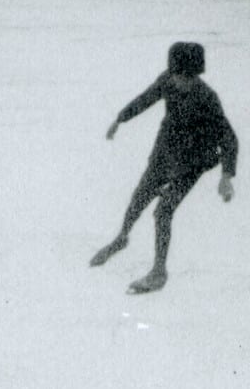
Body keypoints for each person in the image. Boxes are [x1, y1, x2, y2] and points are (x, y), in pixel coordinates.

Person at [91, 42, 239, 294]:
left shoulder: (207, 98)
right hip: (166, 149)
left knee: (163, 211)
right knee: (140, 196)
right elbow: (146, 98)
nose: (181, 82)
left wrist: (226, 176)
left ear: (197, 76)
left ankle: (159, 271)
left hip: (194, 160)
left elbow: (229, 139)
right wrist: (120, 119)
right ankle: (121, 238)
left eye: (188, 77)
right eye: (177, 75)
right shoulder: (167, 81)